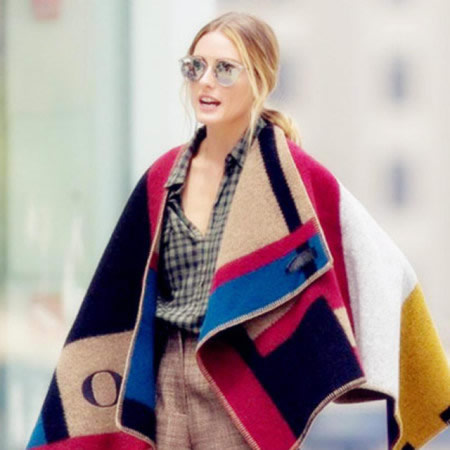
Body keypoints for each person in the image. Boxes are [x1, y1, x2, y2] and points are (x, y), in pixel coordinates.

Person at [27, 11, 449, 450]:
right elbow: (115, 296)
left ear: (260, 79)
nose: (206, 82)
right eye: (196, 67)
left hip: (235, 379)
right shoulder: (163, 177)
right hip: (165, 378)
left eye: (225, 69)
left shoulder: (289, 177)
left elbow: (376, 260)